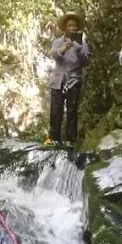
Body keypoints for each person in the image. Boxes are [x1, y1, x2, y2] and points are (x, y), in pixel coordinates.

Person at [48, 14, 90, 146]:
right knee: (56, 110)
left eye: (74, 26)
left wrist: (78, 50)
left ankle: (70, 141)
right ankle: (54, 139)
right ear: (65, 28)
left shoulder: (82, 43)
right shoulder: (57, 42)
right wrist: (64, 48)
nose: (72, 28)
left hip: (74, 80)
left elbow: (86, 61)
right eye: (70, 26)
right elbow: (54, 55)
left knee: (72, 111)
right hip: (58, 80)